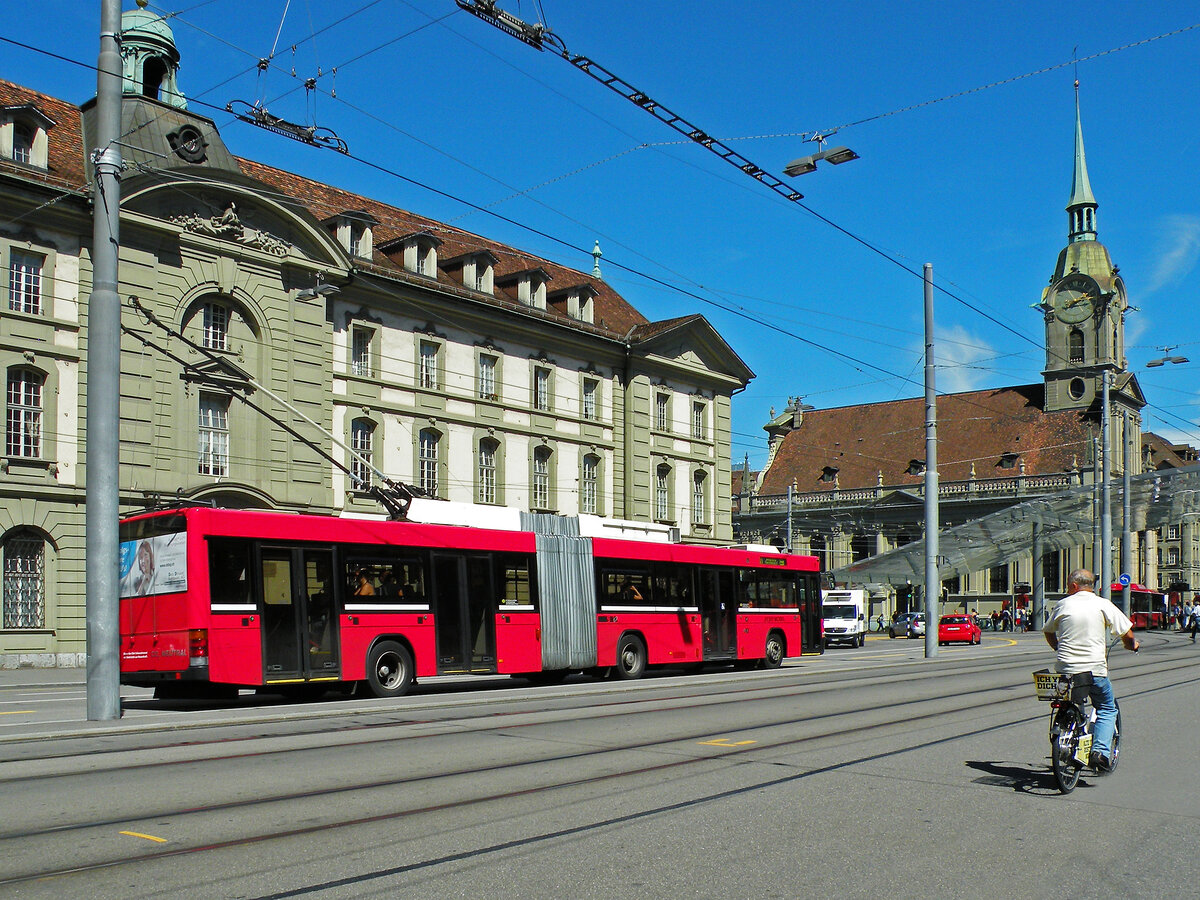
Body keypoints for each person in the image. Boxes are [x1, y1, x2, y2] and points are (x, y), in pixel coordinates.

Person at [1043, 568, 1139, 771]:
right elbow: (1127, 634)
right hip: (1094, 669)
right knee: (1106, 707)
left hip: (1066, 669)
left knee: (1073, 698)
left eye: (1069, 584)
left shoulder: (1063, 604)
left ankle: (1072, 735)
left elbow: (1048, 631)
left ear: (1075, 586)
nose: (1068, 588)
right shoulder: (1103, 604)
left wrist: (1057, 647)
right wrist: (1132, 645)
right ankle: (1100, 753)